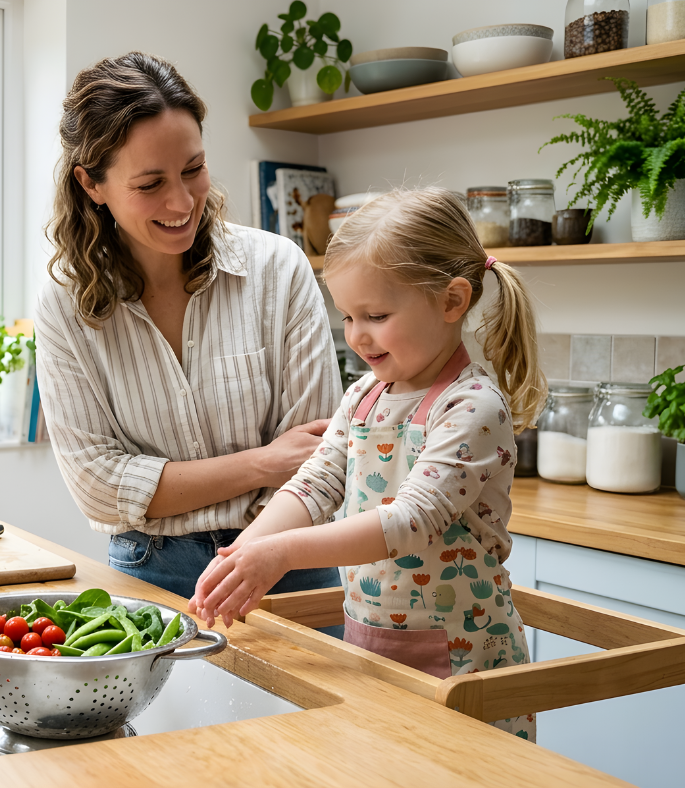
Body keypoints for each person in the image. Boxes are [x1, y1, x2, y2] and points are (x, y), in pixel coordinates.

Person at [191, 186, 547, 741]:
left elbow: (410, 521)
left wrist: (279, 554)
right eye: (348, 316)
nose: (356, 336)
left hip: (464, 660)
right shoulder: (365, 394)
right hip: (372, 646)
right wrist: (244, 553)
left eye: (376, 315)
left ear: (452, 301)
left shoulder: (472, 406)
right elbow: (316, 481)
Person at [34, 52, 341, 600]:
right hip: (150, 573)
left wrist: (253, 553)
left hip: (290, 558)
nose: (181, 202)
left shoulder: (278, 268)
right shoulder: (65, 305)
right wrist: (261, 463)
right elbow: (98, 486)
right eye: (150, 184)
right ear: (91, 184)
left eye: (193, 169)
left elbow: (318, 458)